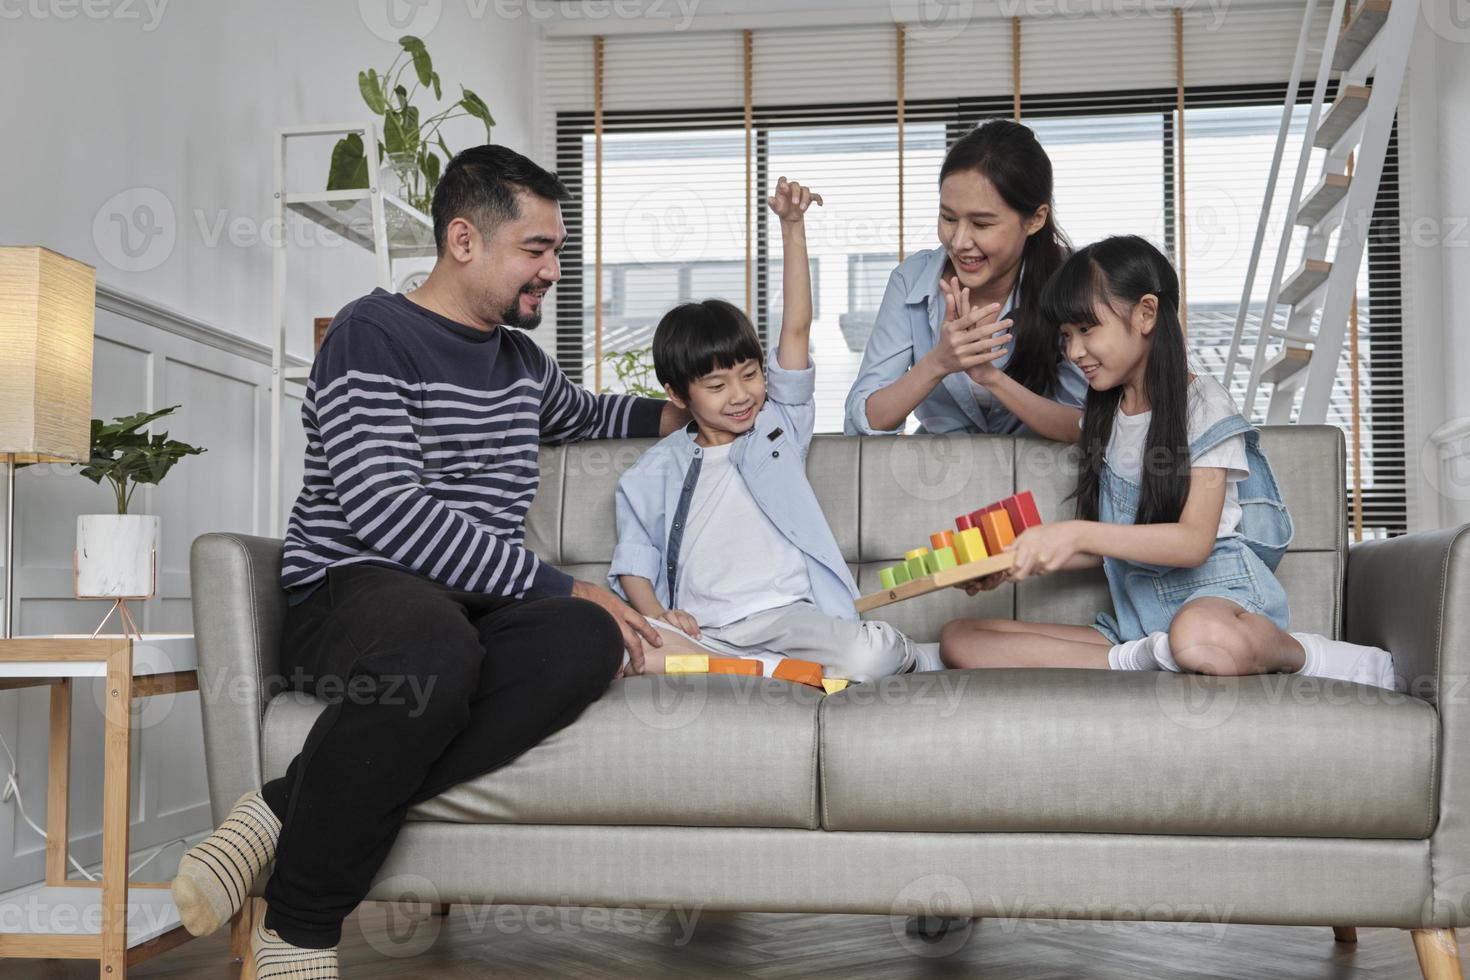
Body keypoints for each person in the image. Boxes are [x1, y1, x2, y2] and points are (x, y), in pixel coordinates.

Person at [170, 145, 689, 978]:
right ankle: (300, 928)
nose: (553, 270)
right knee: (438, 647)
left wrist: (693, 412)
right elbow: (388, 515)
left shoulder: (522, 364)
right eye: (537, 249)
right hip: (352, 594)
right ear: (463, 239)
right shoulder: (371, 335)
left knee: (583, 644)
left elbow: (590, 414)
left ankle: (279, 806)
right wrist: (567, 584)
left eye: (556, 250)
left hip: (465, 608)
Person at [939, 235, 1395, 690]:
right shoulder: (1110, 416)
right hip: (1139, 628)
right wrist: (988, 379)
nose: (1075, 352)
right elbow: (1057, 423)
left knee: (1200, 637)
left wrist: (1071, 531)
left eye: (1086, 329)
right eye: (1067, 337)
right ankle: (1150, 658)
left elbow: (1193, 543)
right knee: (962, 638)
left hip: (1220, 605)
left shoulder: (1203, 405)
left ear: (1146, 313)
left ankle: (1305, 653)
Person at [610, 177, 942, 681]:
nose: (741, 395)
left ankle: (789, 665)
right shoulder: (654, 470)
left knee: (867, 660)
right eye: (717, 386)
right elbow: (635, 560)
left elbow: (796, 328)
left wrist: (792, 228)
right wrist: (659, 615)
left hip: (790, 620)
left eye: (750, 375)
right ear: (678, 395)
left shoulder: (776, 427)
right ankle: (772, 671)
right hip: (706, 630)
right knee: (633, 656)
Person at [844, 119, 1087, 441]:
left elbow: (1085, 426)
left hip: (1041, 479)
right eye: (948, 218)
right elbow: (864, 421)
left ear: (1035, 219)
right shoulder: (910, 280)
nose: (958, 242)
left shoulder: (1074, 281)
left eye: (982, 224)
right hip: (940, 476)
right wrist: (938, 363)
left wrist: (991, 378)